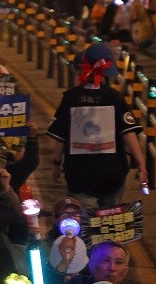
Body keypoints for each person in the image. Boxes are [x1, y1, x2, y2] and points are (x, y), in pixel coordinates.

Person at [48, 43, 147, 208]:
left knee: (87, 225)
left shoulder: (71, 98)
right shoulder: (115, 98)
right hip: (112, 173)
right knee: (110, 219)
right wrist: (142, 165)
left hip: (79, 174)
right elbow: (129, 134)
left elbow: (60, 139)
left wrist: (56, 164)